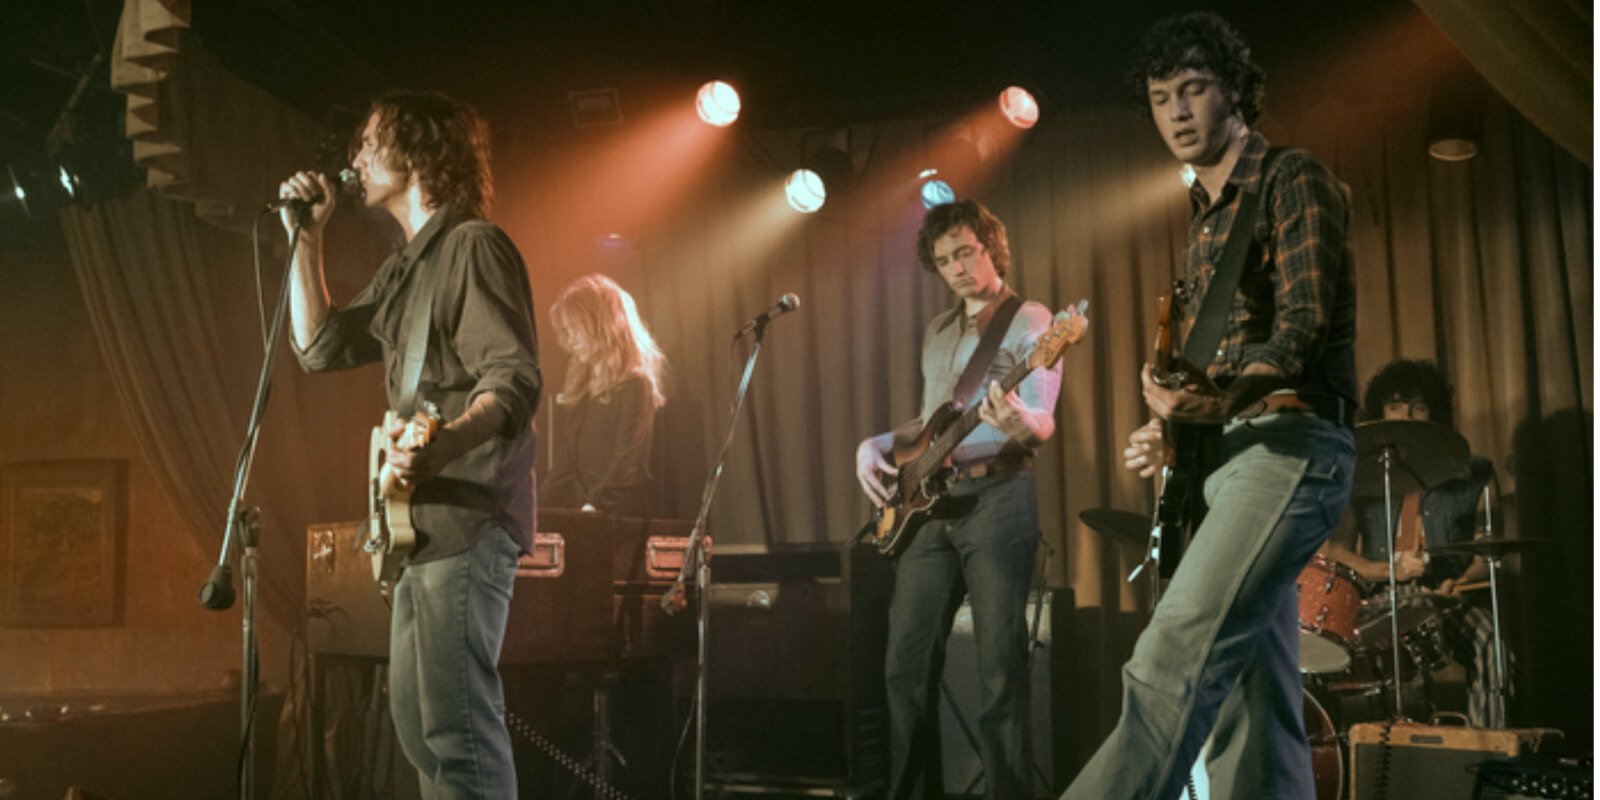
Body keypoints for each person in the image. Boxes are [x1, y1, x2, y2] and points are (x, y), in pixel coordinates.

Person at [1065, 12, 1358, 799]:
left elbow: (1299, 329)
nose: (1177, 112)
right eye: (1161, 98)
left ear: (1235, 92)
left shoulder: (1294, 179)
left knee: (1171, 658)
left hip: (1291, 447)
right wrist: (1171, 431)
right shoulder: (1204, 227)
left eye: (1193, 89)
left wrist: (1212, 401)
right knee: (1252, 707)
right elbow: (1215, 373)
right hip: (1231, 456)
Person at [279, 90, 540, 798]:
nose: (356, 158)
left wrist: (446, 444)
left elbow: (513, 381)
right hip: (420, 527)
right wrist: (307, 236)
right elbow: (318, 347)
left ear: (418, 152)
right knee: (422, 730)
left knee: (456, 734)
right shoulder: (407, 268)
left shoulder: (473, 247)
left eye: (370, 142)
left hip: (470, 517)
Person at [856, 199, 1064, 800]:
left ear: (991, 248)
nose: (955, 268)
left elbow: (1043, 424)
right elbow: (930, 424)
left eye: (965, 252)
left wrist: (1021, 419)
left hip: (999, 494)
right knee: (904, 668)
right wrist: (873, 443)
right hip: (930, 507)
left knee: (1001, 672)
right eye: (944, 260)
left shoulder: (1032, 320)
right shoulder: (937, 332)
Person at [1320, 358, 1506, 726]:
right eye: (1395, 404)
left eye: (1418, 405)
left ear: (1434, 412)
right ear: (1379, 412)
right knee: (1326, 651)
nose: (1406, 414)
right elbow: (1334, 550)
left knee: (1492, 644)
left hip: (1451, 597)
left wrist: (1462, 581)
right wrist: (1390, 569)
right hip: (1381, 600)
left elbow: (1490, 550)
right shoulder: (1358, 474)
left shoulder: (1476, 471)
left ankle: (1489, 755)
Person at [539, 273, 667, 516]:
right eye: (566, 331)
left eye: (574, 329)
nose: (570, 339)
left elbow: (626, 460)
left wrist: (594, 506)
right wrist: (536, 510)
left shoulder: (636, 384)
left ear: (601, 325)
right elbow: (568, 459)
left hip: (620, 513)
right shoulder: (584, 388)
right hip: (586, 508)